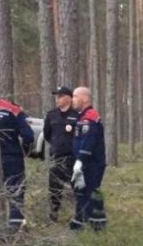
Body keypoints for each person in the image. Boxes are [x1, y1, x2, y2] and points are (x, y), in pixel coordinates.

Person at [0, 96, 34, 232]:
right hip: (12, 156)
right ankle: (14, 226)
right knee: (15, 190)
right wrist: (26, 149)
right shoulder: (12, 108)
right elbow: (28, 136)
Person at [70, 87, 107, 231]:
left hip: (91, 164)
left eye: (75, 96)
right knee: (82, 191)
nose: (72, 99)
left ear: (84, 98)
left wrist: (80, 161)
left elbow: (88, 142)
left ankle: (97, 225)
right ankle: (79, 222)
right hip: (86, 163)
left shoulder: (90, 117)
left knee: (89, 192)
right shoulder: (82, 116)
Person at [43, 86, 79, 222]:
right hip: (57, 158)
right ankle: (53, 214)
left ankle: (79, 215)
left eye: (60, 96)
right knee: (54, 187)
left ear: (68, 98)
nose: (57, 99)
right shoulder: (51, 115)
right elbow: (47, 135)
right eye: (56, 96)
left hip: (73, 158)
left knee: (77, 187)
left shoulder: (77, 115)